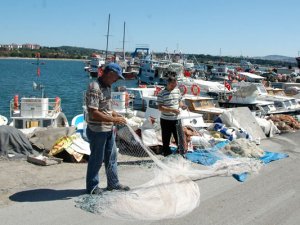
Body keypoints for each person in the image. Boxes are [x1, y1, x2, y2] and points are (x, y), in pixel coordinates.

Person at [85, 62, 130, 195]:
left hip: (108, 129)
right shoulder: (95, 87)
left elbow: (106, 108)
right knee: (96, 159)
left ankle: (113, 184)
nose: (117, 80)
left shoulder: (107, 86)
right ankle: (92, 187)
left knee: (111, 157)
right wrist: (113, 119)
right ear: (110, 74)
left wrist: (115, 114)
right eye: (116, 77)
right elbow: (94, 112)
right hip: (98, 130)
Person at [157, 76, 187, 156]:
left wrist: (182, 106)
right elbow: (160, 107)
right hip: (165, 120)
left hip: (176, 119)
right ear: (168, 83)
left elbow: (179, 101)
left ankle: (181, 154)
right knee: (166, 139)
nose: (174, 86)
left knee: (179, 138)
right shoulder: (161, 93)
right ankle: (166, 154)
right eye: (173, 85)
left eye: (175, 85)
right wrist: (172, 110)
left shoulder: (177, 91)